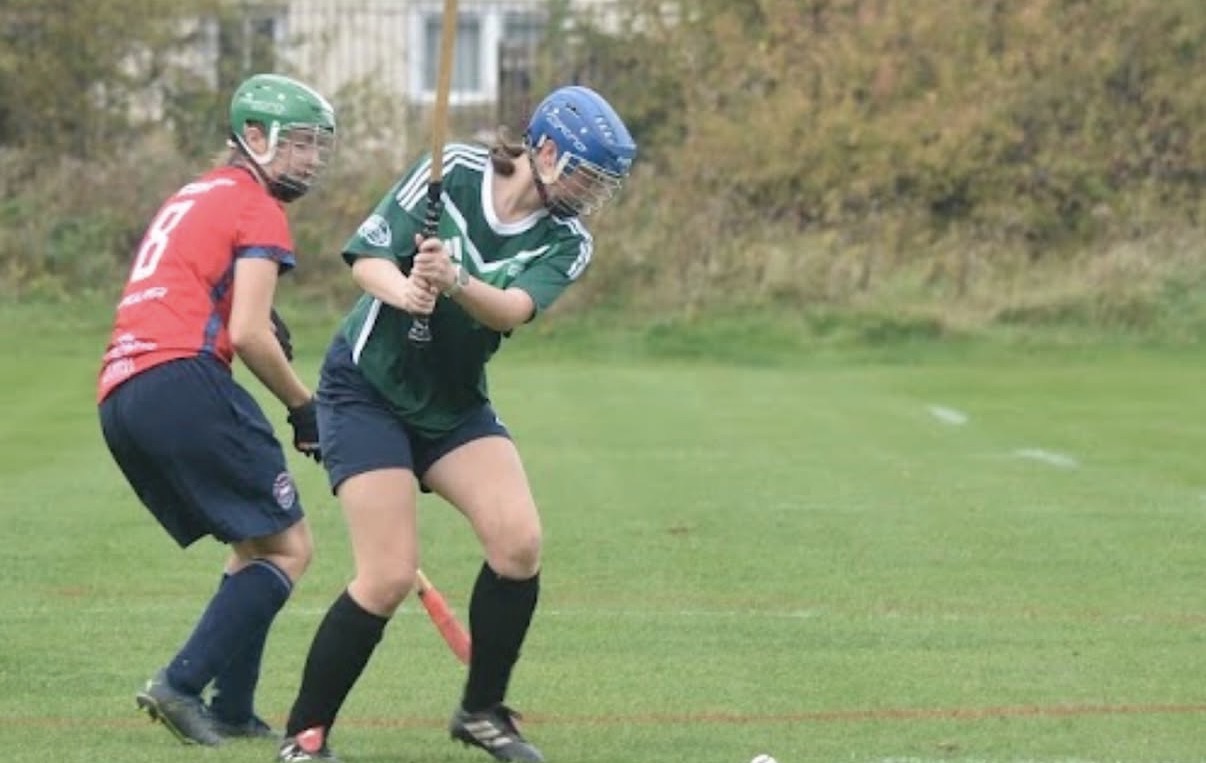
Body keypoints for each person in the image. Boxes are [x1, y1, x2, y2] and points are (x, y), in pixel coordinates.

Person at [275, 84, 637, 762]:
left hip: (452, 401)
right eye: (586, 176)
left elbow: (510, 310)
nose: (591, 195)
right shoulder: (455, 169)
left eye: (601, 185)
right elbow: (369, 256)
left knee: (519, 542)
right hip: (366, 389)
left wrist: (454, 279)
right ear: (548, 150)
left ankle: (481, 710)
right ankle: (305, 734)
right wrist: (407, 287)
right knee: (386, 575)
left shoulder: (568, 241)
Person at [97, 73, 337, 747]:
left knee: (255, 540)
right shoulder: (260, 206)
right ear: (252, 137)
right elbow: (249, 333)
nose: (311, 160)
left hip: (122, 392)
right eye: (298, 144)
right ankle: (180, 681)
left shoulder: (197, 191)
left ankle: (233, 705)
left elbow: (200, 284)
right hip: (181, 379)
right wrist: (303, 405)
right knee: (291, 547)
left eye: (319, 146)